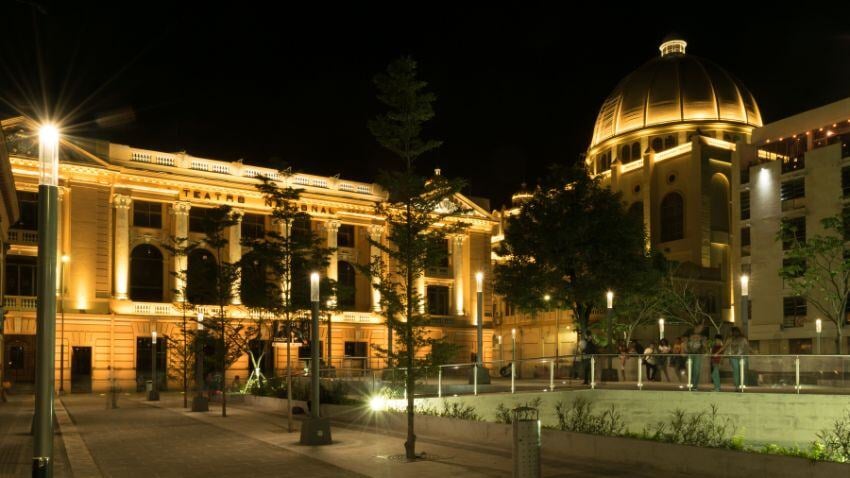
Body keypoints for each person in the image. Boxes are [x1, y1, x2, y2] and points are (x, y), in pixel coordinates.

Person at [716, 327, 749, 391]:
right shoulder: (730, 339)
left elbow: (747, 347)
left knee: (741, 370)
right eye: (733, 332)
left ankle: (741, 385)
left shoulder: (743, 339)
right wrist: (717, 353)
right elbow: (724, 347)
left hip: (741, 357)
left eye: (736, 332)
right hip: (733, 357)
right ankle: (737, 386)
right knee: (736, 370)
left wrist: (754, 352)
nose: (735, 333)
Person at [686, 324, 708, 390]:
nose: (701, 329)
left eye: (702, 328)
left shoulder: (703, 337)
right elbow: (685, 344)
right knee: (690, 370)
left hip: (698, 354)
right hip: (690, 354)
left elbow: (705, 346)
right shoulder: (689, 334)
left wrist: (706, 351)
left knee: (696, 370)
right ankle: (691, 384)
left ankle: (694, 385)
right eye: (700, 327)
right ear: (696, 327)